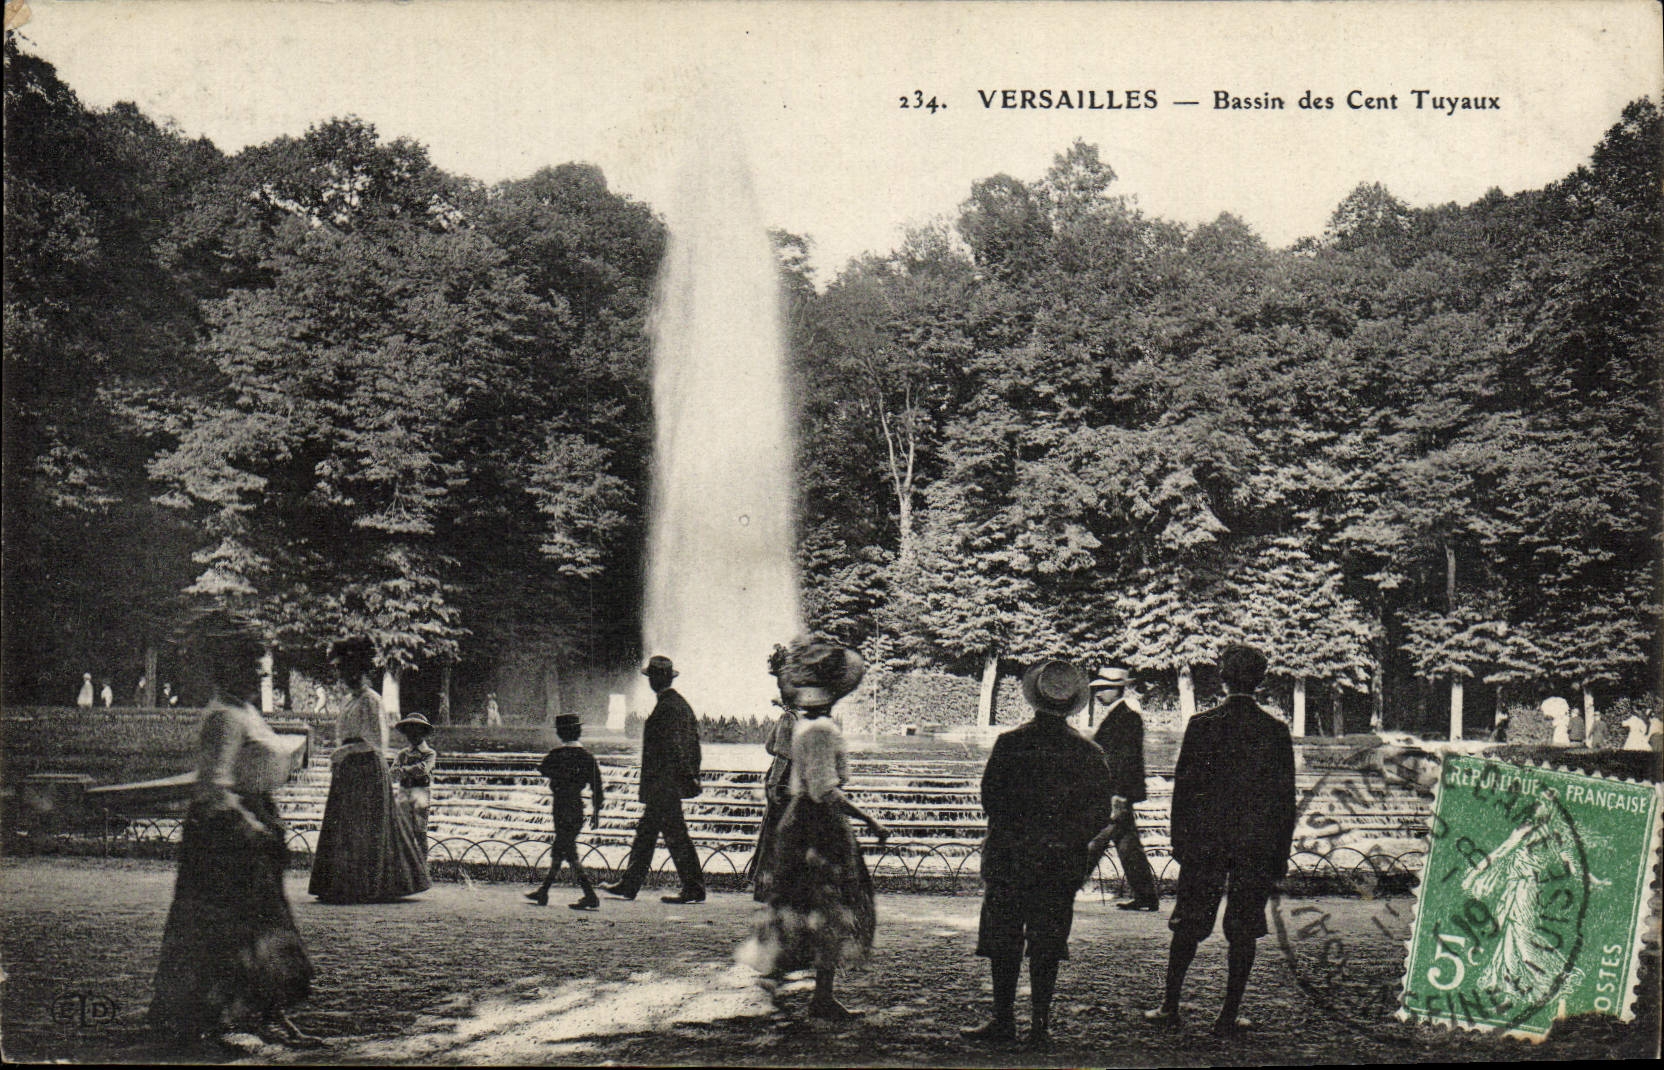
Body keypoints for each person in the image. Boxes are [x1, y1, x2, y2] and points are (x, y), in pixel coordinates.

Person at [962, 660, 1117, 1050]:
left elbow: (990, 800)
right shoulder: (1087, 751)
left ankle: (1002, 1021)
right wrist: (1065, 840)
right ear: (1072, 704)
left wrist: (1019, 833)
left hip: (1010, 858)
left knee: (1004, 941)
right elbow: (1099, 813)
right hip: (1058, 862)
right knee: (1048, 945)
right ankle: (1040, 1026)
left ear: (1034, 699)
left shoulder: (1010, 743)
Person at [149, 701, 319, 1050]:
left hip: (254, 826)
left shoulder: (248, 712)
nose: (257, 668)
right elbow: (213, 784)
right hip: (228, 833)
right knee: (232, 929)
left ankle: (269, 1014)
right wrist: (249, 824)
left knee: (266, 924)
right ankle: (221, 1019)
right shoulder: (223, 716)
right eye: (247, 658)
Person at [1146, 643, 1296, 1036]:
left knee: (1188, 924)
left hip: (1204, 843)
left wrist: (1180, 840)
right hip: (1255, 846)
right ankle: (1228, 1015)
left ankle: (1170, 1005)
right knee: (1245, 930)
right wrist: (1279, 856)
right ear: (1260, 681)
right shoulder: (1275, 731)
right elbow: (1284, 801)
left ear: (1223, 678)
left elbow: (1185, 788)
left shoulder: (1202, 725)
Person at [738, 642, 890, 1020]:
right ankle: (814, 993)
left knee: (805, 904)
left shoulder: (807, 726)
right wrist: (869, 819)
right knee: (828, 905)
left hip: (804, 822)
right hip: (817, 826)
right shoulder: (821, 730)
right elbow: (824, 790)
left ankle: (787, 983)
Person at [307, 643, 431, 903]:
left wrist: (347, 751)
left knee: (365, 826)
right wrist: (340, 755)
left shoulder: (372, 700)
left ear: (358, 671)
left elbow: (376, 741)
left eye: (345, 669)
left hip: (366, 769)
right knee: (346, 826)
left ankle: (369, 885)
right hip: (348, 768)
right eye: (339, 670)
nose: (342, 675)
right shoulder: (348, 701)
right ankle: (343, 884)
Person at [601, 656, 706, 903]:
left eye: (651, 677)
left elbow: (678, 748)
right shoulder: (677, 704)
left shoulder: (669, 707)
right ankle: (630, 885)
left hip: (665, 785)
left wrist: (681, 778)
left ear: (658, 679)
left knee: (671, 836)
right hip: (667, 784)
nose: (649, 682)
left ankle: (692, 888)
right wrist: (690, 776)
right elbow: (692, 746)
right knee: (649, 834)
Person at [1089, 666, 1160, 911]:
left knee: (1094, 842)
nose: (1098, 693)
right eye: (1097, 688)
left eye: (1104, 688)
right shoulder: (1118, 715)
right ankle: (1146, 896)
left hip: (1115, 794)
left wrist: (1119, 795)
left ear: (1118, 689)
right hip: (1115, 793)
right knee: (1128, 845)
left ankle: (1063, 889)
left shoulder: (1126, 717)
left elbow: (1126, 760)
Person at [527, 713, 606, 909]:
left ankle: (589, 896)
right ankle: (543, 892)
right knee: (562, 849)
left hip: (560, 807)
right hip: (576, 807)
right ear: (578, 732)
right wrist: (596, 813)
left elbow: (543, 769)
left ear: (561, 734)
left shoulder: (556, 755)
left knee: (567, 851)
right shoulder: (588, 757)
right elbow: (597, 788)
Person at [750, 643, 800, 902]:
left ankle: (767, 888)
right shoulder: (796, 715)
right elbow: (774, 747)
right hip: (796, 781)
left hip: (783, 780)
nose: (781, 686)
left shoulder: (790, 718)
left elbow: (779, 753)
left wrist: (771, 783)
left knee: (773, 835)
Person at [392, 712, 438, 858]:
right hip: (404, 791)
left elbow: (423, 770)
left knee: (420, 830)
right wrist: (410, 770)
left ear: (423, 732)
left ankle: (422, 864)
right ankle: (406, 865)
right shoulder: (402, 754)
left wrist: (404, 770)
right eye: (409, 730)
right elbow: (393, 773)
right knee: (404, 829)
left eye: (416, 730)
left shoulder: (430, 753)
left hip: (420, 792)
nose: (412, 734)